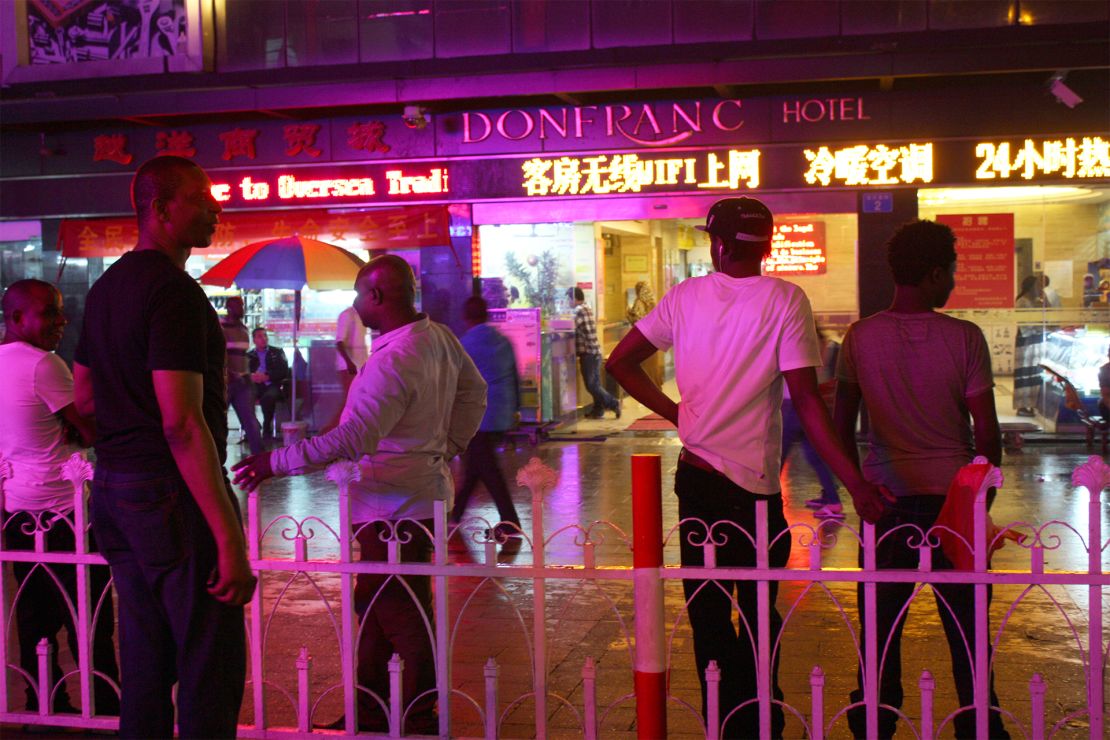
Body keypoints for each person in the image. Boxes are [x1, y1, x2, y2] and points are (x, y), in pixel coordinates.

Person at [606, 197, 888, 738]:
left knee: (709, 617)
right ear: (767, 246)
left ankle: (728, 721)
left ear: (718, 243)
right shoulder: (785, 299)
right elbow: (805, 399)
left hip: (697, 482)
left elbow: (620, 361)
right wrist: (855, 484)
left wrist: (677, 413)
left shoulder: (685, 297)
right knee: (760, 614)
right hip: (755, 495)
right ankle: (763, 718)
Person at [233, 254, 486, 734]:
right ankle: (369, 708)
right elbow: (475, 393)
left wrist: (275, 462)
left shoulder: (394, 359)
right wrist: (446, 445)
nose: (352, 305)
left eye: (355, 294)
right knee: (375, 600)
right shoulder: (438, 339)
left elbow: (352, 439)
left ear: (376, 296)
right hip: (416, 495)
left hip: (391, 505)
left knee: (398, 608)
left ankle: (419, 713)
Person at [73, 155, 256, 739]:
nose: (215, 209)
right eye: (201, 199)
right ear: (160, 208)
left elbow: (84, 396)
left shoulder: (106, 288)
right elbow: (181, 422)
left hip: (116, 491)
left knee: (146, 659)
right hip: (168, 492)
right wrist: (229, 538)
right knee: (210, 657)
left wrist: (124, 452)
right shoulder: (172, 292)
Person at [834, 219, 1010, 739]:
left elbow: (841, 426)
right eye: (950, 272)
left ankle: (875, 720)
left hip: (887, 504)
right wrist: (980, 498)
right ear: (934, 274)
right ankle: (980, 726)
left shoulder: (860, 337)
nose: (952, 282)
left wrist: (859, 491)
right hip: (953, 505)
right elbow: (988, 433)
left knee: (880, 631)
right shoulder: (965, 339)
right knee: (968, 633)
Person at [0, 280, 120, 716]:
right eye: (48, 312)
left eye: (59, 310)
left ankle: (43, 705)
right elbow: (90, 429)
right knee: (90, 616)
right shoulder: (44, 365)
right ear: (15, 319)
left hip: (18, 509)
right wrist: (75, 428)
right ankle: (106, 703)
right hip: (63, 511)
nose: (60, 320)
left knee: (35, 616)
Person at [451, 296, 522, 538]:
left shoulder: (463, 344)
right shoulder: (503, 341)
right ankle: (454, 515)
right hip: (501, 413)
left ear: (465, 318)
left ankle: (510, 520)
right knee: (476, 468)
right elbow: (515, 377)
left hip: (476, 416)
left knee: (488, 470)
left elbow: (456, 383)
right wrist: (516, 409)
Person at [783, 325, 843, 518]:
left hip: (793, 404)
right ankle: (832, 499)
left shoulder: (798, 345)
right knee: (814, 456)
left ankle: (763, 501)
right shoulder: (818, 344)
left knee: (777, 457)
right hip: (807, 405)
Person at [567, 286, 620, 419]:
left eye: (568, 299)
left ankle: (613, 403)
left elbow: (570, 327)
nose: (568, 302)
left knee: (591, 385)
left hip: (589, 353)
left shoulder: (579, 310)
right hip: (594, 351)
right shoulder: (587, 307)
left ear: (574, 299)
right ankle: (598, 410)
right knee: (595, 383)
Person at [222, 296, 264, 454]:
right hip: (227, 381)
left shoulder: (243, 329)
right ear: (230, 308)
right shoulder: (222, 327)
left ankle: (259, 455)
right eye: (239, 306)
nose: (242, 309)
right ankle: (217, 455)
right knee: (219, 421)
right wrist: (228, 372)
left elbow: (242, 355)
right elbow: (219, 354)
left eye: (242, 305)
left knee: (250, 421)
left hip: (243, 381)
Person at [248, 327, 289, 440]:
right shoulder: (249, 355)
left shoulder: (277, 352)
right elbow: (245, 373)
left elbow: (284, 371)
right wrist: (252, 377)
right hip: (256, 385)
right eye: (260, 336)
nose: (264, 339)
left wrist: (267, 376)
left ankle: (267, 427)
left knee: (268, 398)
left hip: (272, 384)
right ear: (254, 340)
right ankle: (252, 426)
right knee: (244, 398)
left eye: (265, 335)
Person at [1013, 275, 1043, 416]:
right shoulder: (1022, 301)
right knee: (1024, 373)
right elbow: (1025, 324)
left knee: (1032, 373)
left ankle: (1030, 404)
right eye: (1037, 285)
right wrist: (1038, 326)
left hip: (1032, 341)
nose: (1039, 289)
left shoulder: (1034, 301)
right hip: (1025, 341)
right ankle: (1022, 406)